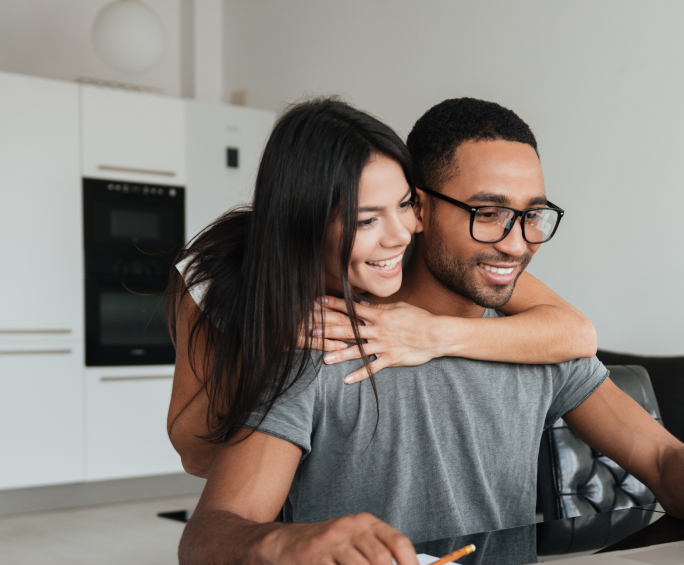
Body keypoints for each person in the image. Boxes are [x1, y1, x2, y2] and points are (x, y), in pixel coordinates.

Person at [178, 98, 684, 565]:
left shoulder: (535, 344)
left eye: (532, 214)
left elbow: (662, 456)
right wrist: (283, 543)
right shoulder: (322, 339)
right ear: (424, 208)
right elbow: (209, 526)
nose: (516, 243)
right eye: (486, 212)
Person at [167, 98, 597, 479]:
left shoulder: (413, 247)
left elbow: (576, 333)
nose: (402, 233)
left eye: (406, 203)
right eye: (366, 219)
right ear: (308, 223)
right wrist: (269, 340)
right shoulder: (215, 279)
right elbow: (196, 457)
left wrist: (430, 334)